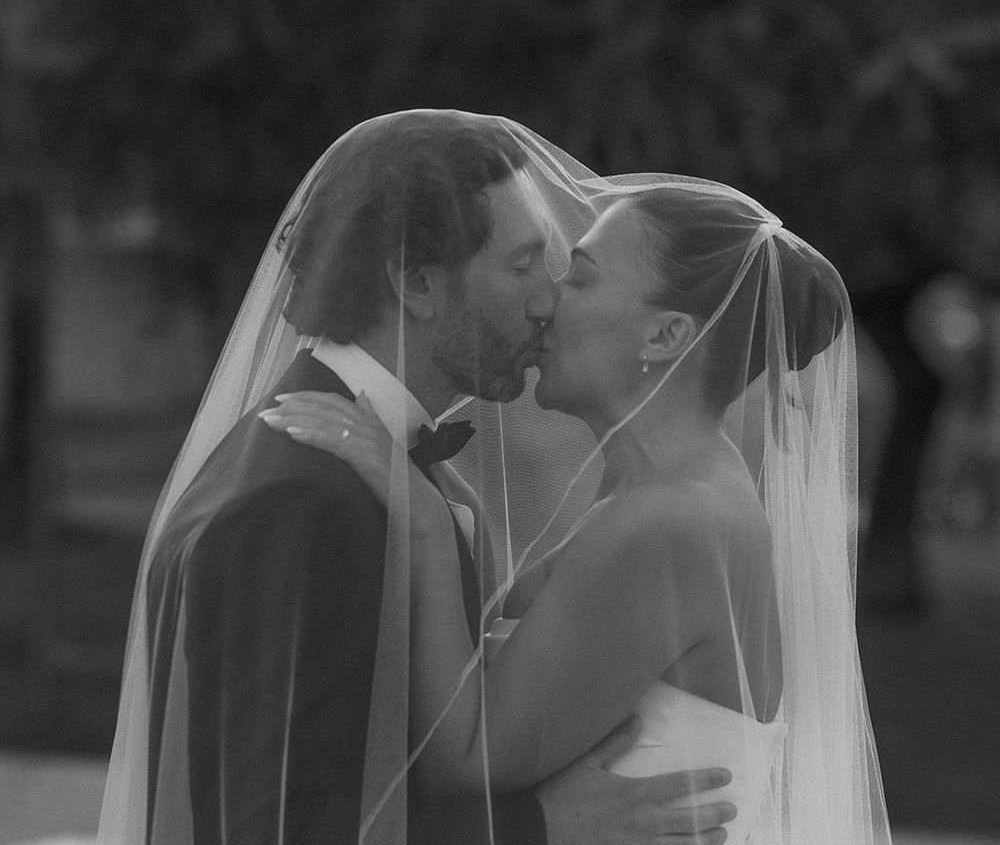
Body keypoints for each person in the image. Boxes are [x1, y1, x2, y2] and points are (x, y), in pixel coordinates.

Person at [97, 111, 736, 845]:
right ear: (419, 285)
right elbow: (269, 827)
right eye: (523, 265)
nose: (546, 300)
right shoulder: (297, 501)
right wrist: (535, 827)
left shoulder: (375, 475)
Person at [264, 179, 893, 845]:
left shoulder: (666, 524)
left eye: (580, 281)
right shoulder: (665, 494)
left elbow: (469, 759)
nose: (544, 303)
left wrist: (422, 523)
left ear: (667, 334)